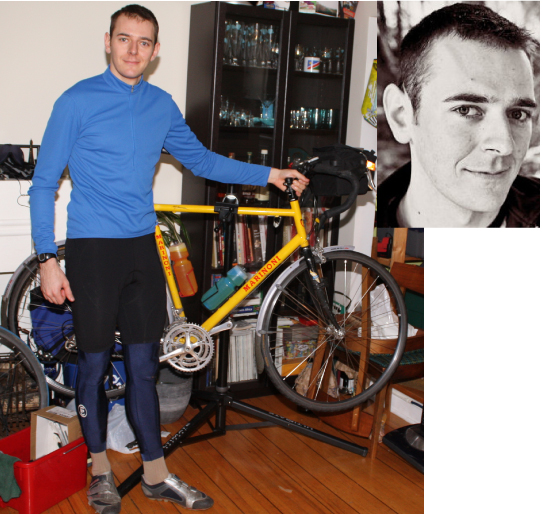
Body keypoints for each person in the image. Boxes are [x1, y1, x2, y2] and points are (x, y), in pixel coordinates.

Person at [29, 4, 309, 513]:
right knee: (93, 367)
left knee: (144, 369)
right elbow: (44, 183)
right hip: (93, 250)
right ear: (108, 42)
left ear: (155, 51)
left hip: (141, 248)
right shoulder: (76, 101)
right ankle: (99, 470)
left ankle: (156, 476)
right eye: (124, 38)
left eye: (144, 42)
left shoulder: (160, 105)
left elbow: (200, 159)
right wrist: (48, 259)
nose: (133, 50)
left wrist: (270, 174)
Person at [378, 3, 539, 228]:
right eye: (466, 110)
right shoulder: (346, 237)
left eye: (518, 114)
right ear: (401, 116)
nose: (505, 146)